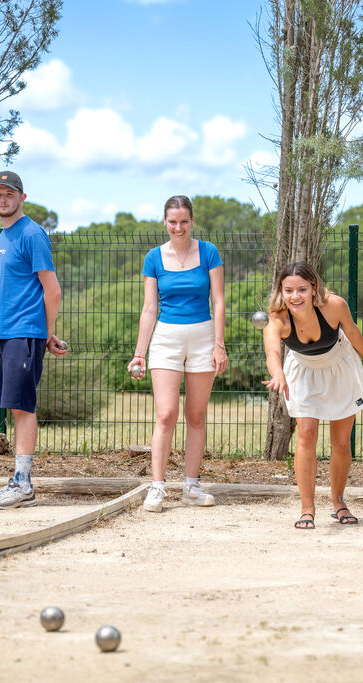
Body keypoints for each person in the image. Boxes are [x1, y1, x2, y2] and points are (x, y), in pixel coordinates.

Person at [129, 195, 227, 513]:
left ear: (191, 221)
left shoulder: (209, 252)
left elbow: (219, 301)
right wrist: (139, 354)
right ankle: (157, 488)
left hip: (203, 336)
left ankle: (191, 486)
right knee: (166, 414)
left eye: (184, 221)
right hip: (166, 339)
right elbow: (149, 308)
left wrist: (219, 344)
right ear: (165, 222)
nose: (178, 227)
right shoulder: (153, 258)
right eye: (173, 221)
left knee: (196, 416)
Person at [262, 262, 363, 529]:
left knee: (340, 441)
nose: (295, 296)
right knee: (306, 434)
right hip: (303, 371)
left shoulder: (334, 305)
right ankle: (307, 508)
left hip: (339, 366)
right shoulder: (277, 317)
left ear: (314, 288)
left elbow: (352, 332)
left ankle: (338, 502)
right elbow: (272, 352)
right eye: (289, 290)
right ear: (281, 290)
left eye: (302, 289)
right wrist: (278, 374)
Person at [0, 171, 67, 509]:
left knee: (22, 406)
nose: (3, 198)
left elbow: (53, 290)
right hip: (4, 333)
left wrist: (43, 333)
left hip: (23, 332)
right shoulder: (4, 236)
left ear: (22, 197)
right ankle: (18, 479)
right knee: (14, 405)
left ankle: (24, 484)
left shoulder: (32, 234)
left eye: (9, 193)